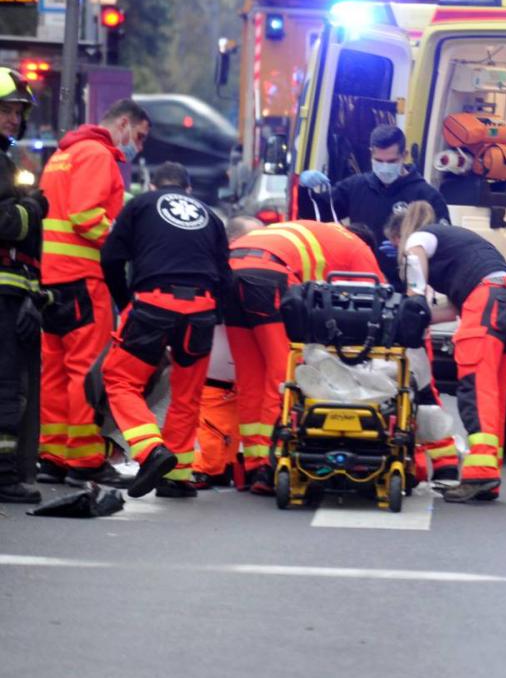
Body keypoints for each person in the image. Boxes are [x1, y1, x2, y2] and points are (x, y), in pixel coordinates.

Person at [99, 163, 232, 498]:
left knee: (120, 380)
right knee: (187, 395)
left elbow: (111, 257)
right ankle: (176, 477)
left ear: (151, 185)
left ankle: (150, 450)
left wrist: (124, 301)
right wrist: (212, 316)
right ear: (187, 190)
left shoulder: (141, 205)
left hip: (153, 303)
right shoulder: (210, 215)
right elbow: (224, 275)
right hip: (201, 309)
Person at [226, 219, 383, 492]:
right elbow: (379, 303)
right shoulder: (359, 249)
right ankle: (270, 462)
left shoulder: (320, 232)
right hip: (267, 276)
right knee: (283, 371)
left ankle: (254, 464)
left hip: (229, 269)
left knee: (250, 375)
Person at [386, 201, 506, 503]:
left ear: (399, 235)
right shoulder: (455, 243)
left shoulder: (419, 238)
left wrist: (414, 298)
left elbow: (414, 258)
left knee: (475, 387)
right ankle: (488, 471)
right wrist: (421, 316)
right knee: (492, 392)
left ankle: (481, 473)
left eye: (393, 242)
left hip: (487, 301)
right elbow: (452, 308)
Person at [37, 98, 145, 486]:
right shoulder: (99, 155)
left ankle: (52, 456)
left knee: (54, 370)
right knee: (84, 372)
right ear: (124, 123)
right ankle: (83, 460)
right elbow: (86, 216)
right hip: (84, 278)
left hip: (51, 278)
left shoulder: (61, 156)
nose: (138, 146)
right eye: (140, 136)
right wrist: (121, 247)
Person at [0, 69, 46, 504]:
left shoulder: (7, 161)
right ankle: (3, 476)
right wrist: (33, 207)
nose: (12, 119)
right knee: (5, 386)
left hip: (14, 294)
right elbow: (7, 225)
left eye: (17, 112)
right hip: (2, 298)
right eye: (5, 110)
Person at [193, 215, 263, 489]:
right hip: (214, 384)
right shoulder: (214, 272)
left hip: (244, 388)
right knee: (208, 460)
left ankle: (239, 466)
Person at [300, 124, 449, 245]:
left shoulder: (427, 196)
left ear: (405, 155)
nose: (385, 167)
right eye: (379, 160)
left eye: (391, 161)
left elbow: (443, 242)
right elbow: (316, 212)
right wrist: (303, 188)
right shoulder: (355, 187)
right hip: (362, 273)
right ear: (371, 153)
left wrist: (407, 250)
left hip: (404, 275)